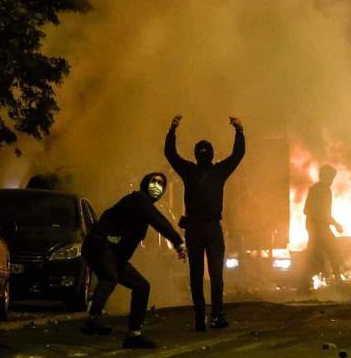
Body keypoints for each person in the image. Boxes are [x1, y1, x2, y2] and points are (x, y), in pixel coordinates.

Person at [80, 172, 186, 349]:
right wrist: (178, 242)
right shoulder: (138, 199)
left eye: (161, 184)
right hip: (99, 244)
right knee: (110, 277)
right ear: (145, 183)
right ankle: (93, 318)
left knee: (142, 286)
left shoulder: (143, 209)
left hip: (113, 254)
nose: (157, 186)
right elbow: (158, 221)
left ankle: (133, 335)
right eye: (153, 181)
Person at [165, 115, 245, 331]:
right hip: (207, 228)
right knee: (213, 274)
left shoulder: (190, 171)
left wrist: (172, 131)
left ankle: (203, 316)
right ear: (209, 155)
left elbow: (170, 155)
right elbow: (238, 155)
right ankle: (213, 315)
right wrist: (239, 131)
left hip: (197, 229)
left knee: (198, 274)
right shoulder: (216, 171)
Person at [302, 164, 344, 289]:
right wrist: (336, 224)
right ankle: (338, 281)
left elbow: (306, 210)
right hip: (320, 228)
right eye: (331, 177)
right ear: (325, 176)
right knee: (334, 251)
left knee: (314, 255)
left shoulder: (314, 188)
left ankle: (304, 282)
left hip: (314, 227)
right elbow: (324, 213)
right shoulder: (324, 190)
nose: (332, 181)